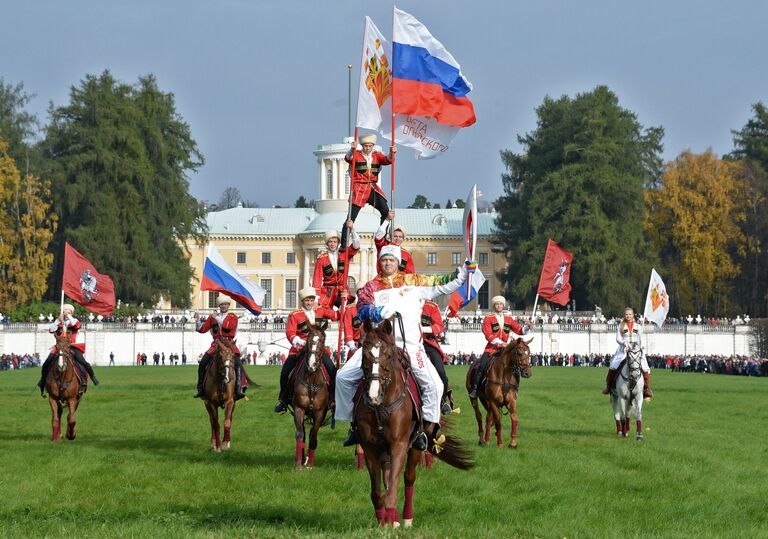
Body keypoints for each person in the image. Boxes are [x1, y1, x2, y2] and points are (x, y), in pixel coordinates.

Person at [336, 245, 469, 451]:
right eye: (384, 260)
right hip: (378, 347)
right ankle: (354, 426)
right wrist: (377, 311)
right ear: (380, 262)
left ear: (398, 262)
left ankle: (426, 430)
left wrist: (462, 273)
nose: (387, 263)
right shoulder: (371, 287)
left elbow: (442, 283)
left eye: (391, 260)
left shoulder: (413, 281)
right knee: (342, 377)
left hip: (410, 346)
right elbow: (361, 310)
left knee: (435, 386)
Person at [274, 287, 340, 413]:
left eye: (311, 300)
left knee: (333, 372)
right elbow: (290, 332)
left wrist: (342, 302)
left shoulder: (321, 311)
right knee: (284, 374)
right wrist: (298, 340)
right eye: (307, 300)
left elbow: (337, 315)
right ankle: (283, 399)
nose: (309, 303)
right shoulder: (295, 315)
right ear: (302, 301)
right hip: (300, 350)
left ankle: (332, 399)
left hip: (318, 350)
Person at [468, 296, 532, 399]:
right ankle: (475, 388)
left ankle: (515, 389)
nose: (499, 306)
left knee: (515, 368)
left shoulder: (509, 319)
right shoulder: (488, 318)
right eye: (497, 304)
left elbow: (520, 330)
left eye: (501, 304)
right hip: (491, 349)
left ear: (503, 306)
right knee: (482, 366)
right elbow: (488, 335)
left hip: (505, 350)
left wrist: (528, 327)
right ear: (494, 306)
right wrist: (500, 343)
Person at [341, 134, 395, 248]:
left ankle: (383, 238)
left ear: (373, 146)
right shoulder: (356, 155)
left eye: (370, 146)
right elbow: (347, 158)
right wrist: (352, 149)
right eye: (365, 146)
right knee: (351, 217)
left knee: (386, 212)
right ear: (362, 146)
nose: (367, 148)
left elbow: (388, 160)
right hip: (359, 189)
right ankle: (343, 243)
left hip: (373, 188)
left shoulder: (377, 156)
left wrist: (392, 153)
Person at [37, 303, 99, 394]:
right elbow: (51, 330)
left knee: (84, 363)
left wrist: (69, 317)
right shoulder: (59, 323)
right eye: (65, 310)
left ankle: (92, 377)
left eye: (68, 311)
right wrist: (58, 320)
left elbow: (77, 325)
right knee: (46, 363)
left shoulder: (73, 321)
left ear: (71, 313)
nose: (66, 312)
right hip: (59, 347)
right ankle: (43, 380)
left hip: (72, 346)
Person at [193, 294, 245, 400]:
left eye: (225, 304)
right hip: (216, 344)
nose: (223, 306)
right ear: (219, 306)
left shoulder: (232, 317)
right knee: (203, 362)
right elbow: (202, 329)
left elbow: (227, 327)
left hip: (229, 344)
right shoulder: (212, 318)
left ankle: (239, 388)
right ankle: (200, 389)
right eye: (221, 305)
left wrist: (215, 317)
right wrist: (197, 320)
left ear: (228, 305)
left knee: (237, 363)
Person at [603, 307, 653, 398]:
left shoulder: (638, 326)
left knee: (645, 367)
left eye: (630, 314)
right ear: (624, 315)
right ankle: (609, 386)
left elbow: (640, 338)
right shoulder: (621, 326)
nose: (628, 316)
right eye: (626, 314)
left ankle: (647, 389)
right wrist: (624, 343)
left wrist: (640, 346)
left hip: (636, 350)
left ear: (633, 315)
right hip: (623, 350)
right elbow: (618, 338)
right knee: (613, 366)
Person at [313, 222, 360, 309]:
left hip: (342, 290)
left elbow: (356, 246)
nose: (332, 244)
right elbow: (317, 281)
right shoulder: (321, 259)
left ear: (338, 243)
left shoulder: (344, 254)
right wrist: (316, 300)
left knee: (349, 310)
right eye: (330, 242)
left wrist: (352, 229)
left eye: (335, 242)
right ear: (327, 243)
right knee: (319, 313)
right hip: (327, 292)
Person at [421, 300, 453, 414]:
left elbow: (439, 326)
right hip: (411, 343)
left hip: (428, 342)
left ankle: (442, 402)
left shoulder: (431, 306)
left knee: (441, 373)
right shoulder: (403, 302)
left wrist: (423, 329)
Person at [374, 210, 415, 274]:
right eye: (395, 236)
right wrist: (387, 220)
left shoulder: (406, 254)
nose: (397, 238)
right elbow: (378, 236)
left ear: (403, 239)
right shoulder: (384, 246)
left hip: (399, 282)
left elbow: (410, 273)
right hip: (383, 281)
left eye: (400, 237)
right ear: (390, 236)